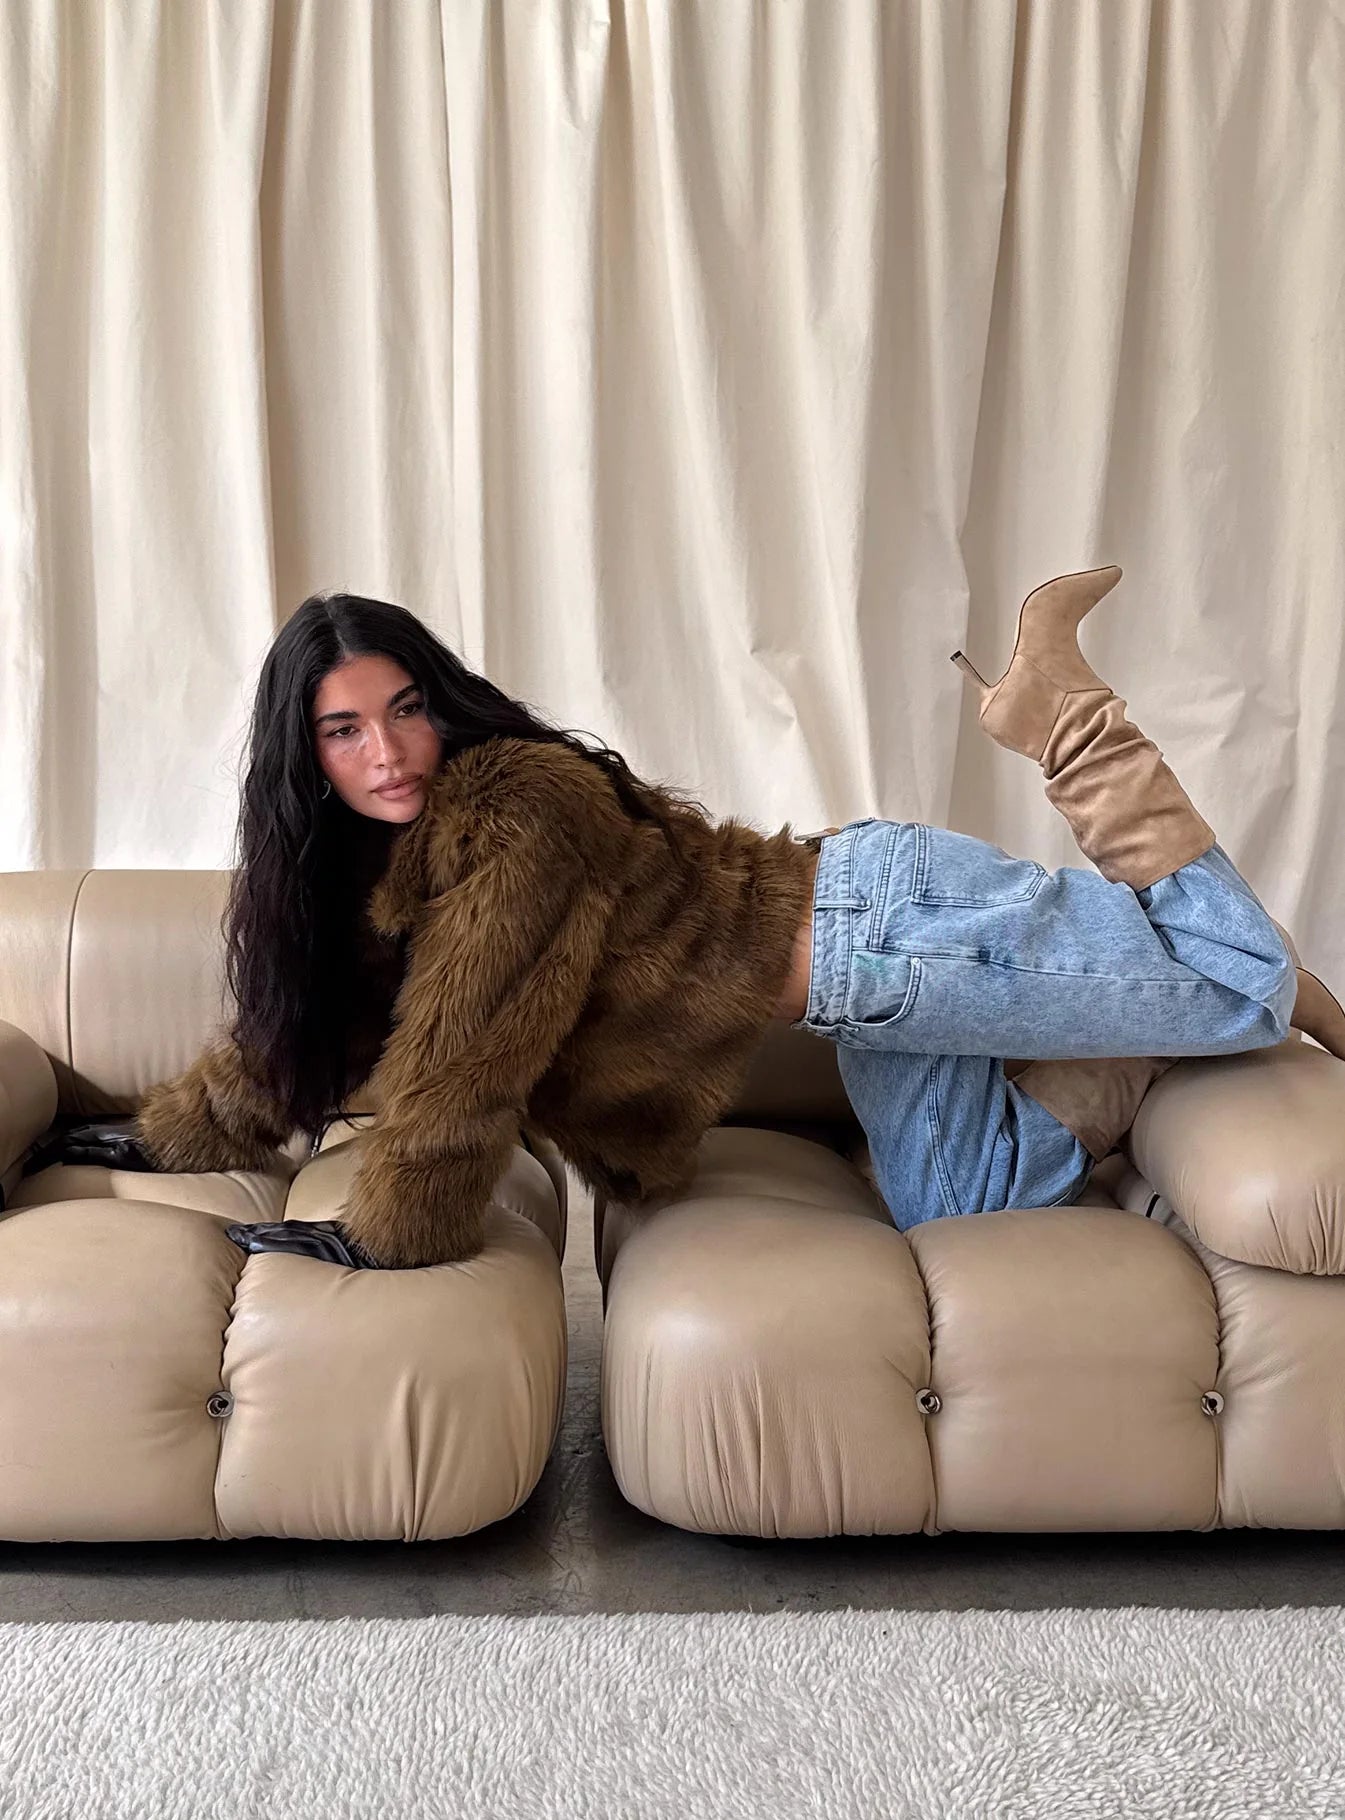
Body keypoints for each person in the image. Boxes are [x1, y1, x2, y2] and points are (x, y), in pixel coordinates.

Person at [47, 571, 1344, 1267]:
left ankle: (1064, 715)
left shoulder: (516, 806)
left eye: (404, 709)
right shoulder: (387, 861)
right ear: (304, 754)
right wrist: (167, 1137)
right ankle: (1129, 1038)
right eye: (342, 730)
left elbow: (467, 1051)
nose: (385, 751)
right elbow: (311, 1021)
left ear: (439, 701)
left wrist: (394, 1230)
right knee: (965, 1211)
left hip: (888, 926)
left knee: (1242, 983)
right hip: (868, 999)